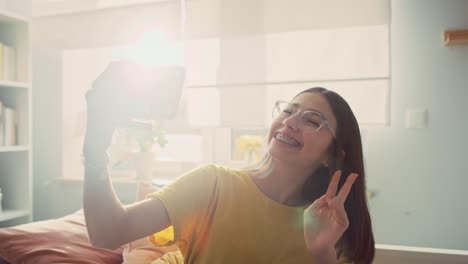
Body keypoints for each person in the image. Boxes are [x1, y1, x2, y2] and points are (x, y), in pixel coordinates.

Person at [82, 85, 375, 263]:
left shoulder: (332, 226)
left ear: (332, 155)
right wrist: (95, 149)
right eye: (288, 111)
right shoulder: (212, 184)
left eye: (312, 120)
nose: (291, 122)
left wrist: (322, 252)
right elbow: (108, 232)